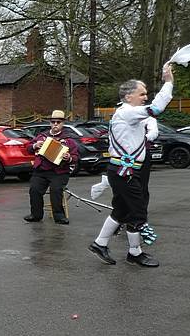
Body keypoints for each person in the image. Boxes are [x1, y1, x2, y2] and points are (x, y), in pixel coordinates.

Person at [88, 66, 174, 268]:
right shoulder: (127, 112)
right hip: (125, 171)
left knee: (122, 210)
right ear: (128, 96)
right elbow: (156, 109)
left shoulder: (130, 115)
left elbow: (149, 124)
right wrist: (168, 82)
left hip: (127, 169)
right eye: (142, 94)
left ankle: (100, 244)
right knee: (138, 210)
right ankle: (135, 252)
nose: (145, 97)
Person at [24, 110, 79, 225]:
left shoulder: (68, 139)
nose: (55, 124)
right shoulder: (42, 136)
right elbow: (28, 148)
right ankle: (36, 215)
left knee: (56, 190)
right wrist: (35, 145)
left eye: (58, 122)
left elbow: (75, 157)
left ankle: (59, 216)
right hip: (41, 170)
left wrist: (68, 157)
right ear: (50, 123)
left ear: (63, 123)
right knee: (34, 189)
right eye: (53, 122)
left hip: (59, 172)